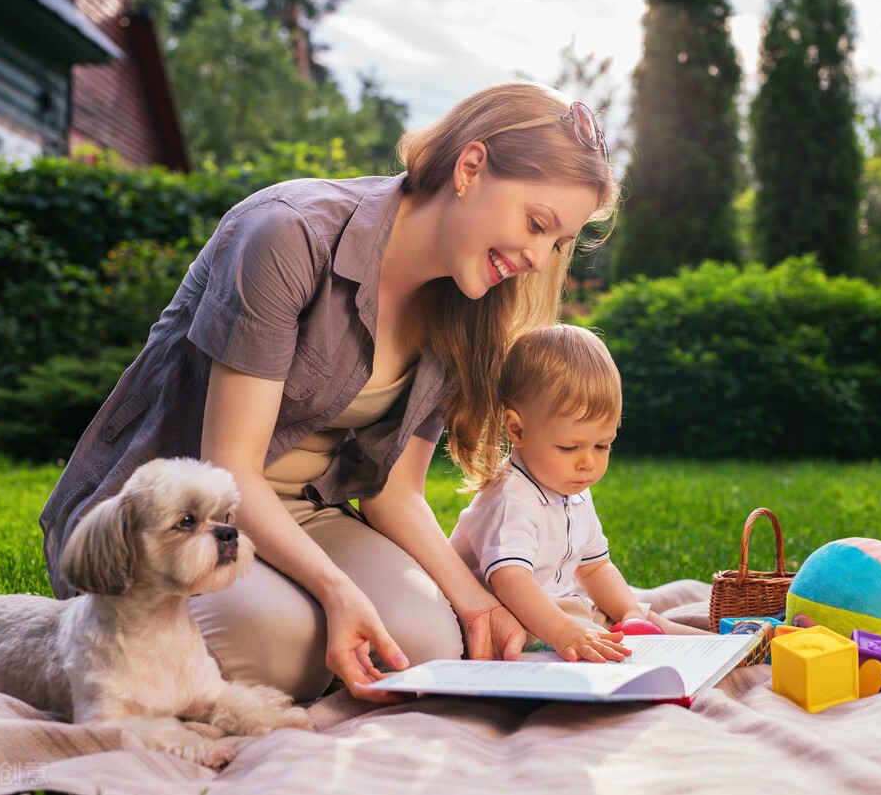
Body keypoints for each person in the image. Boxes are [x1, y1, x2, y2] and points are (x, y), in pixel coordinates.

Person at [39, 82, 620, 703]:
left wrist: (477, 605)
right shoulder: (287, 235)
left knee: (430, 641)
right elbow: (228, 467)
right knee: (277, 647)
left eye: (556, 243)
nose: (538, 257)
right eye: (537, 224)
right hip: (184, 518)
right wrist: (336, 590)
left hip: (308, 514)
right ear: (470, 167)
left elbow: (395, 493)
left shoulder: (468, 306)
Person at [449, 324, 708, 664]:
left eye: (603, 445)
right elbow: (510, 580)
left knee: (643, 619)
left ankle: (730, 647)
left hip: (559, 605)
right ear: (517, 430)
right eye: (570, 447)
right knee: (589, 630)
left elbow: (595, 568)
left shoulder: (572, 489)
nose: (588, 463)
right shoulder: (512, 497)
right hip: (506, 612)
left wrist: (630, 612)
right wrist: (562, 631)